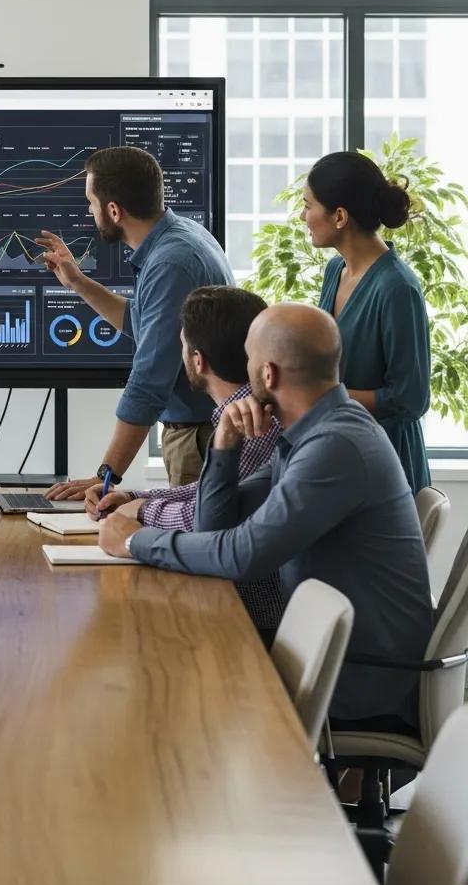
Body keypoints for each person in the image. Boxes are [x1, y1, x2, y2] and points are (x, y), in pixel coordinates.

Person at [99, 304, 434, 730]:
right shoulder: (312, 432)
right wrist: (224, 443)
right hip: (325, 652)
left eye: (249, 357)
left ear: (269, 374)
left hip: (356, 679)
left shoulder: (336, 446)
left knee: (161, 680)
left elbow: (244, 554)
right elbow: (216, 526)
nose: (244, 367)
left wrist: (133, 541)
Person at [83, 286, 285, 640]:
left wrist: (142, 515)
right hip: (237, 607)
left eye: (181, 345)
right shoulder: (246, 411)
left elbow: (207, 520)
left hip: (246, 618)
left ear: (197, 360)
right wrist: (133, 499)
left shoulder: (253, 424)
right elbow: (208, 492)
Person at [41, 147, 234, 501]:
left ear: (114, 211)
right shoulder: (181, 237)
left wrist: (106, 476)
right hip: (199, 430)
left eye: (91, 202)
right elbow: (145, 322)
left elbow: (148, 382)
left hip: (199, 439)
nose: (89, 210)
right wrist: (79, 284)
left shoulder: (171, 263)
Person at [304, 151, 431, 494]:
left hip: (387, 462)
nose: (303, 216)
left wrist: (321, 395)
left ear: (340, 216)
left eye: (308, 205)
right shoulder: (336, 270)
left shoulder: (397, 287)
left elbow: (411, 398)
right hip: (342, 448)